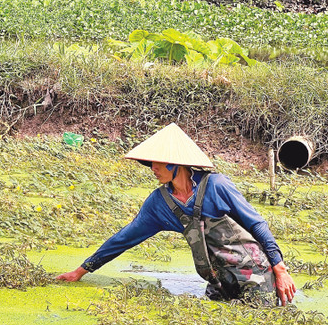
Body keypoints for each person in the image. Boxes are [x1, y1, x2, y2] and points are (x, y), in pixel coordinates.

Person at [56, 123, 296, 306]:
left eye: (159, 163)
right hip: (218, 283)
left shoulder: (217, 186)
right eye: (151, 163)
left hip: (254, 277)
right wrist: (82, 270)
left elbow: (257, 225)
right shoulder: (160, 203)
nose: (153, 169)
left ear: (177, 163)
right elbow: (124, 238)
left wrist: (280, 270)